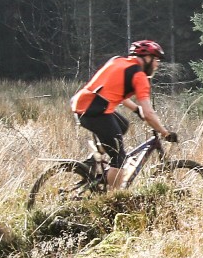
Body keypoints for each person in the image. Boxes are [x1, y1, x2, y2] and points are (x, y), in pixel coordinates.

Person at [70, 39, 176, 189]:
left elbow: (116, 91)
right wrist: (165, 133)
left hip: (83, 105)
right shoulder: (139, 76)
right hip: (95, 112)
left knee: (123, 126)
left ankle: (93, 161)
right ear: (147, 58)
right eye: (156, 59)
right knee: (119, 158)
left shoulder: (118, 61)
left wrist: (135, 109)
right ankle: (114, 200)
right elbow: (149, 113)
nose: (157, 64)